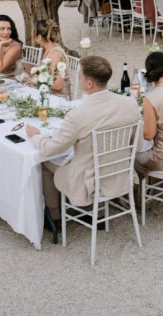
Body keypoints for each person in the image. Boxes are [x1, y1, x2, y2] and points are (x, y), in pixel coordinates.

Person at [26, 56, 141, 225]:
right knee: (75, 156)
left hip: (89, 180)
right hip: (120, 173)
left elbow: (49, 149)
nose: (76, 78)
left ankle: (54, 216)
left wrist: (35, 135)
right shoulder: (130, 104)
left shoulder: (78, 116)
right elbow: (136, 146)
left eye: (79, 75)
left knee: (43, 162)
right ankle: (99, 212)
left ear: (89, 84)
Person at [26, 19, 69, 98]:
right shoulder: (49, 49)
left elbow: (58, 85)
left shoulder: (56, 54)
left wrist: (37, 81)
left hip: (58, 99)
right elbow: (48, 74)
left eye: (34, 35)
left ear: (39, 37)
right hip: (48, 94)